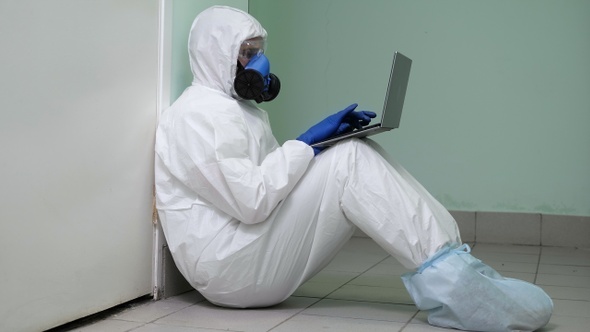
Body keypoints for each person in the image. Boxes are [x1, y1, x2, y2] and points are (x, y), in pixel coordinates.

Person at [155, 5, 553, 332]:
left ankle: (460, 270)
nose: (259, 63)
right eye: (246, 53)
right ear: (215, 55)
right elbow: (253, 201)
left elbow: (268, 182)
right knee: (348, 161)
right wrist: (307, 144)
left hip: (245, 252)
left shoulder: (239, 112)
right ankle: (460, 286)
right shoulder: (196, 116)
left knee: (349, 151)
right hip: (228, 271)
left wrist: (319, 146)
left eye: (258, 51)